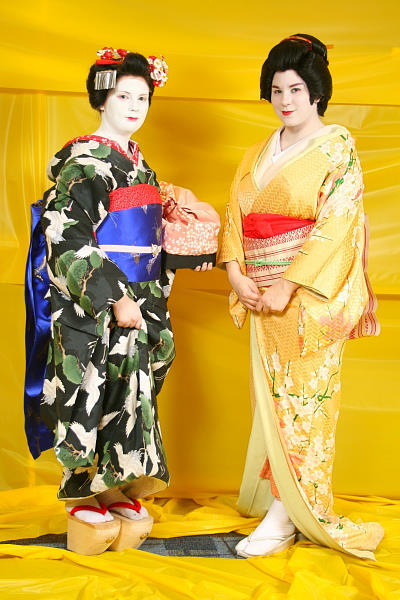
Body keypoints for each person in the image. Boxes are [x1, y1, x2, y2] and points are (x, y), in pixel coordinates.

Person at [31, 47, 215, 555]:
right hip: (98, 299)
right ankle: (80, 493)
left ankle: (113, 487)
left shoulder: (140, 164)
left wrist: (178, 257)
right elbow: (66, 237)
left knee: (133, 388)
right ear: (102, 98)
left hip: (143, 295)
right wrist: (112, 297)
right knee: (93, 385)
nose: (134, 105)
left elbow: (148, 235)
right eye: (124, 95)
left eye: (143, 97)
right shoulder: (84, 162)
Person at [218, 34, 384, 560]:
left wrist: (288, 284)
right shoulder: (256, 152)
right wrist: (235, 273)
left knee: (305, 407)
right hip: (258, 294)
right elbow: (234, 216)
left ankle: (290, 514)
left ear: (317, 93)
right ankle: (279, 500)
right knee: (268, 402)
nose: (285, 100)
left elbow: (337, 227)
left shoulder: (337, 151)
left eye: (296, 88)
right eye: (276, 90)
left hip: (304, 302)